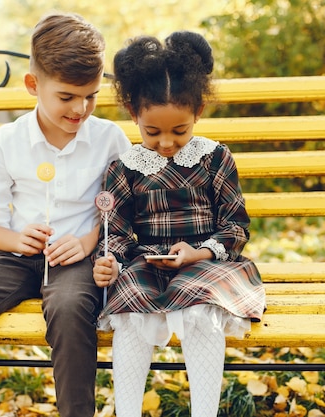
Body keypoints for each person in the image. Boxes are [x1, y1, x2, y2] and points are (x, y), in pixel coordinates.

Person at [0, 12, 131, 417]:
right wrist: (16, 239)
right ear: (33, 85)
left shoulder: (110, 139)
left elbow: (123, 211)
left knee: (71, 309)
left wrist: (89, 241)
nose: (81, 108)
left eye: (90, 95)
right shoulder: (6, 141)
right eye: (67, 97)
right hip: (14, 259)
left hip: (77, 260)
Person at [92, 31, 266, 417]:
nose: (167, 143)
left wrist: (200, 251)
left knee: (198, 309)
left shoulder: (215, 159)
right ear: (132, 112)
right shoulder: (125, 168)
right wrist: (110, 261)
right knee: (132, 311)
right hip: (148, 262)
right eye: (152, 132)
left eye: (179, 131)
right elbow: (116, 233)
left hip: (210, 262)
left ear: (198, 112)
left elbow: (235, 226)